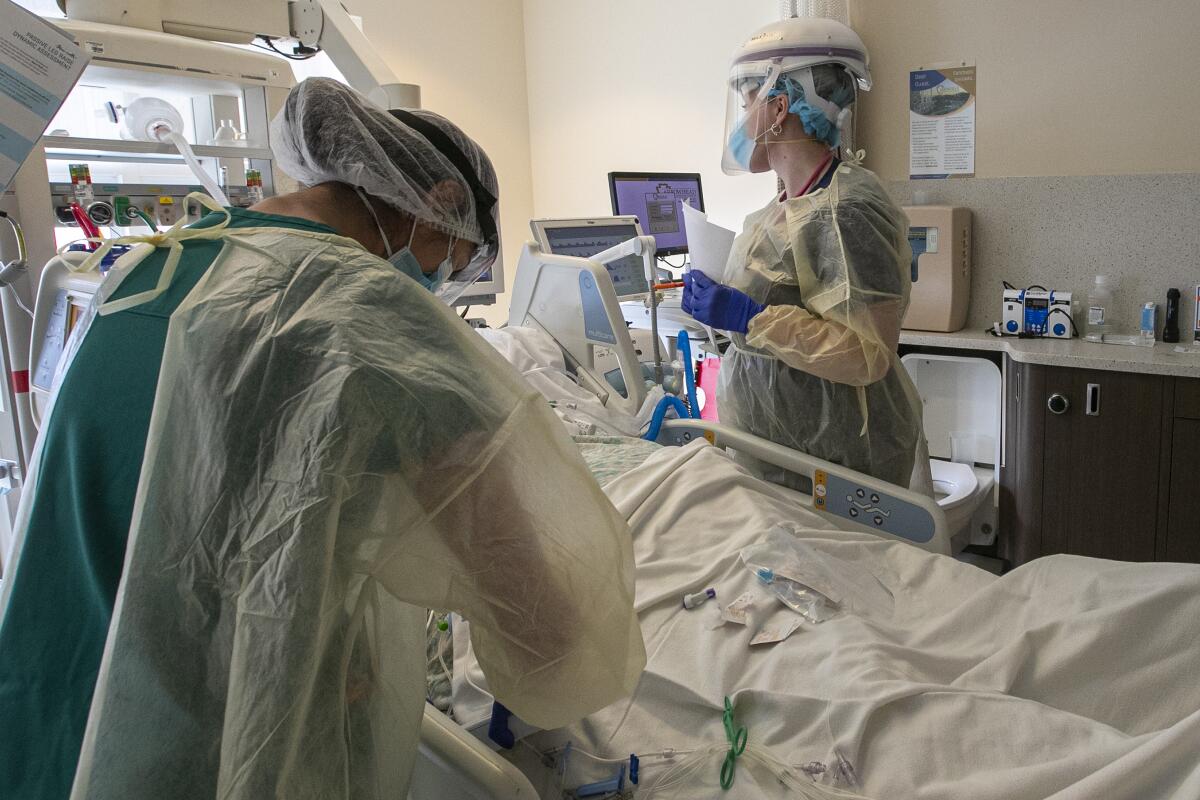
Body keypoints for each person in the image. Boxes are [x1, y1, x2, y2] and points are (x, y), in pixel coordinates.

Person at [0, 77, 645, 800]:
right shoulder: (370, 317)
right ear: (437, 205)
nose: (439, 288)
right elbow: (552, 633)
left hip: (42, 708)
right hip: (183, 752)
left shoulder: (146, 269)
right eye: (452, 266)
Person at [683, 16, 931, 493]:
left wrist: (752, 317)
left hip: (838, 458)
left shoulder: (847, 208)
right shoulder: (784, 207)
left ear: (779, 107)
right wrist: (725, 308)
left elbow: (866, 353)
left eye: (746, 102)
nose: (741, 121)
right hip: (780, 449)